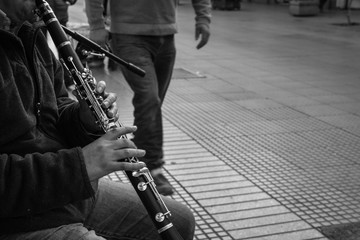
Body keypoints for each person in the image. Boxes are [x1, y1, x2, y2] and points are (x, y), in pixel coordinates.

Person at [0, 1, 195, 239]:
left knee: (182, 221)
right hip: (19, 219)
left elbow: (57, 106)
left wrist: (84, 120)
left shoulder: (29, 29)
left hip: (65, 193)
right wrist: (81, 165)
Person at [84, 0, 211, 196]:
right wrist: (97, 25)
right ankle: (152, 166)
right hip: (128, 35)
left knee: (153, 103)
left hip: (166, 36)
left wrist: (203, 18)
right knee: (149, 98)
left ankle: (138, 153)